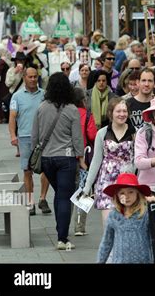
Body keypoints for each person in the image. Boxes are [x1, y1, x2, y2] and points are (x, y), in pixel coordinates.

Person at [32, 72, 84, 250]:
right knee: (63, 196)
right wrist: (81, 159)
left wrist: (35, 153)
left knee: (59, 195)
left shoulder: (41, 107)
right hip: (66, 158)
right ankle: (62, 238)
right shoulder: (72, 109)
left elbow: (35, 136)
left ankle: (60, 231)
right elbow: (77, 138)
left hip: (47, 159)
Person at [82, 98, 136, 226]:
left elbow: (137, 158)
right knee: (108, 223)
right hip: (106, 180)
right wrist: (88, 185)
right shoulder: (102, 133)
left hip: (126, 181)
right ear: (111, 113)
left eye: (124, 111)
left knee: (126, 222)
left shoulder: (135, 132)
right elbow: (96, 160)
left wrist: (131, 170)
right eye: (118, 111)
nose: (122, 114)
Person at [9, 65, 51, 215]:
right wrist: (13, 136)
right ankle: (30, 201)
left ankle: (43, 199)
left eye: (35, 77)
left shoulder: (45, 95)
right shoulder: (17, 96)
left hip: (44, 138)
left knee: (45, 169)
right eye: (30, 77)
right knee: (27, 171)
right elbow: (12, 117)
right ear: (24, 78)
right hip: (25, 137)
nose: (33, 79)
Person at [97, 173, 154, 263]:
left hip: (143, 261)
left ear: (137, 193)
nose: (127, 196)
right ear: (117, 196)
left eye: (131, 192)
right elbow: (106, 242)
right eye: (122, 193)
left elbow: (153, 240)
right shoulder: (114, 216)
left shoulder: (145, 214)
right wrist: (100, 261)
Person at [72, 87, 97, 236]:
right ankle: (79, 227)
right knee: (84, 191)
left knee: (67, 192)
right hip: (84, 158)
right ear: (83, 99)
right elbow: (92, 135)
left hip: (68, 158)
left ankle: (62, 225)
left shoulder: (66, 113)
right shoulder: (87, 115)